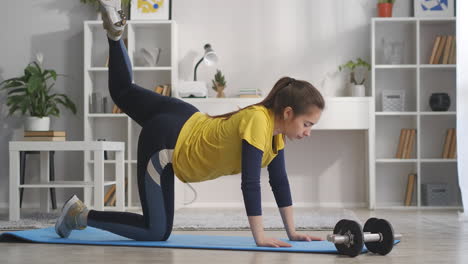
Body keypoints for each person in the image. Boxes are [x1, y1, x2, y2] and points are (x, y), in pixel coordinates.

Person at [55, 0, 325, 248]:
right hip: (167, 143)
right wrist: (260, 236)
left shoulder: (274, 133)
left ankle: (115, 37)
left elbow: (279, 182)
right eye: (307, 124)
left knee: (123, 92)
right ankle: (79, 215)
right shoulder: (259, 122)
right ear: (288, 113)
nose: (308, 132)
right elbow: (251, 183)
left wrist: (292, 231)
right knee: (155, 231)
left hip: (184, 115)